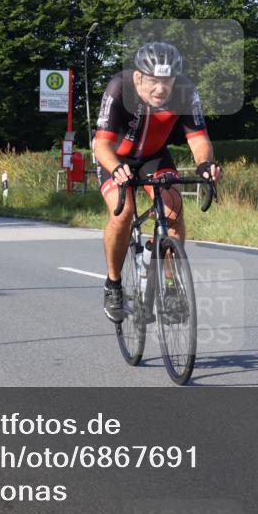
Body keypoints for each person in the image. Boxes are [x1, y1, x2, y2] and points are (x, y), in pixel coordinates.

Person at [93, 42, 222, 322]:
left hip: (154, 157)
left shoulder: (185, 92)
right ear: (138, 76)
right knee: (123, 213)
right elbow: (101, 145)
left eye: (167, 81)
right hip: (115, 159)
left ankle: (171, 287)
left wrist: (204, 165)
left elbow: (198, 138)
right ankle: (113, 284)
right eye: (153, 81)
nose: (161, 89)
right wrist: (116, 168)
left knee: (173, 212)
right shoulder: (119, 88)